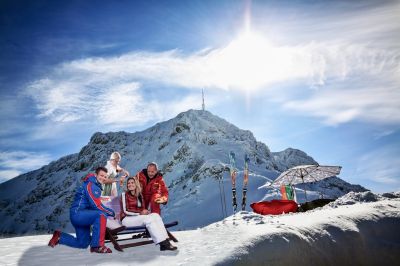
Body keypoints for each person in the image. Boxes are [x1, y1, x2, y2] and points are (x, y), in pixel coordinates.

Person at [48, 167, 115, 253]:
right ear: (96, 175)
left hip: (82, 216)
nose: (103, 178)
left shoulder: (92, 184)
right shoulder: (92, 185)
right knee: (101, 215)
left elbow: (93, 202)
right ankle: (97, 246)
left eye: (105, 177)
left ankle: (60, 237)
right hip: (78, 214)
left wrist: (103, 203)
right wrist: (112, 213)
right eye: (101, 175)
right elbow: (96, 206)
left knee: (83, 243)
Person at [120, 177, 177, 251]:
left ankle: (166, 240)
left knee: (156, 216)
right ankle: (163, 243)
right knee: (148, 219)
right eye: (128, 183)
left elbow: (142, 209)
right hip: (126, 219)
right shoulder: (124, 195)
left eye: (132, 182)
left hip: (137, 218)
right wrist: (140, 213)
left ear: (136, 184)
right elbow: (125, 210)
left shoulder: (139, 195)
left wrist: (146, 212)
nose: (130, 184)